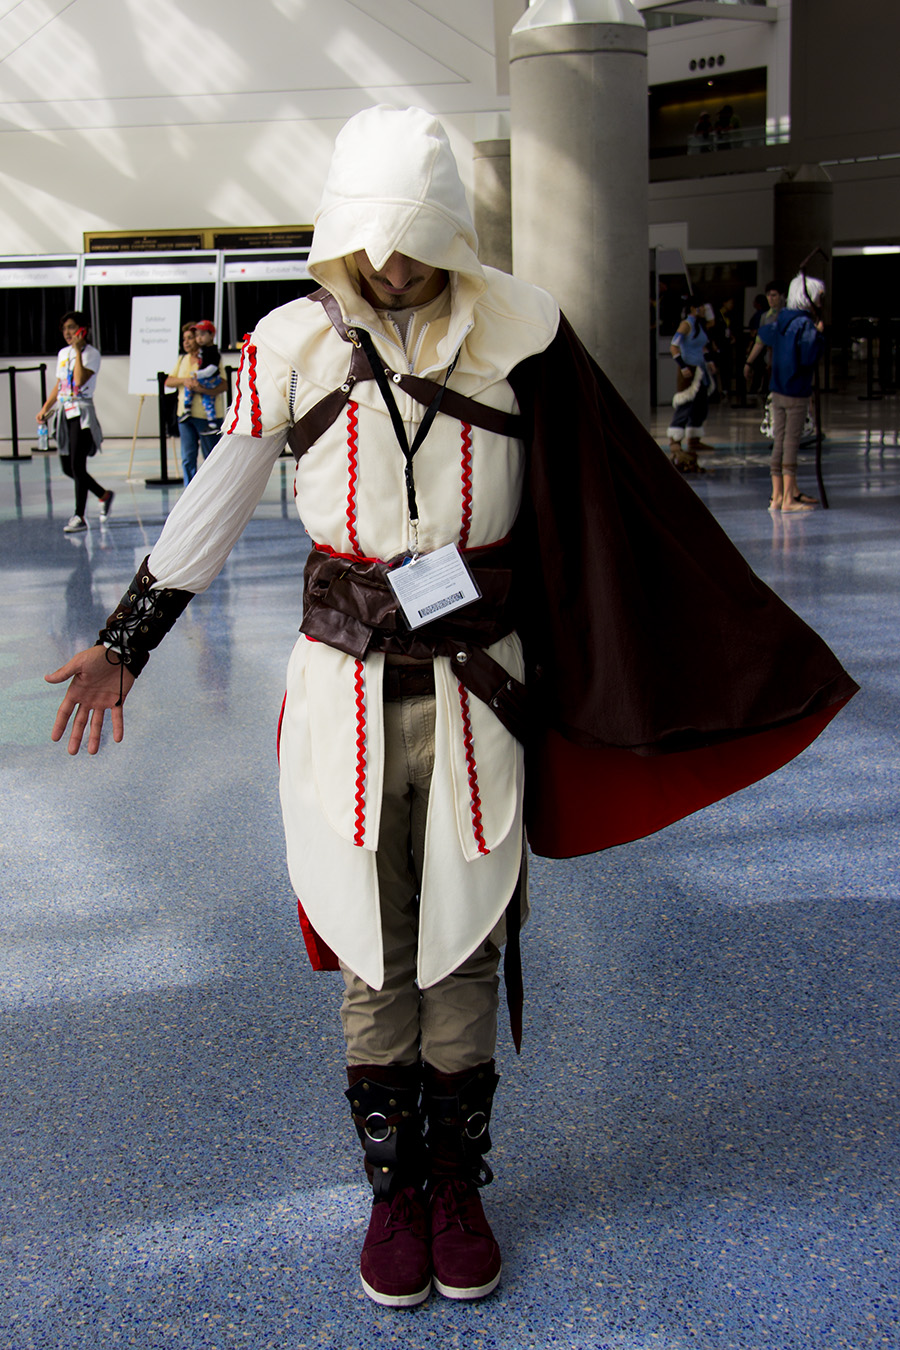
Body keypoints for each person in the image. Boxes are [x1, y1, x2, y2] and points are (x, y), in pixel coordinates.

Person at [45, 107, 857, 1310]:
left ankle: (457, 1186)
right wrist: (126, 642)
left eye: (412, 237)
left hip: (483, 686)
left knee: (468, 934)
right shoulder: (290, 344)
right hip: (345, 687)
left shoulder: (524, 331)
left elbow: (612, 501)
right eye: (371, 238)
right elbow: (216, 497)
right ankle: (394, 1193)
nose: (389, 264)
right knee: (372, 941)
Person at [743, 272, 825, 512]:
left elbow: (764, 335)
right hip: (796, 389)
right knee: (791, 442)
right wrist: (818, 335)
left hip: (778, 388)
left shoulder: (782, 319)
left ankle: (777, 495)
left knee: (779, 441)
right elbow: (808, 356)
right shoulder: (804, 324)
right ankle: (789, 499)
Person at [36, 311, 113, 533]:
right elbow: (60, 384)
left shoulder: (91, 354)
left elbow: (79, 380)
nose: (67, 332)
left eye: (71, 327)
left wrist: (78, 352)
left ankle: (79, 516)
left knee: (78, 465)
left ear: (82, 329)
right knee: (68, 467)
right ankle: (103, 494)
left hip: (81, 411)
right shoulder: (63, 353)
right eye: (64, 328)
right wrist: (45, 408)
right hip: (64, 410)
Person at [165, 323, 226, 485]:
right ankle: (190, 491)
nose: (186, 342)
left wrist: (202, 389)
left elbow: (224, 384)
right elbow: (169, 381)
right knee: (188, 457)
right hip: (185, 417)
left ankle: (213, 489)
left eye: (190, 338)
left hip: (206, 417)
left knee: (211, 457)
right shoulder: (182, 360)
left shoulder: (210, 357)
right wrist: (185, 381)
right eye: (184, 339)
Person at [667, 296, 717, 470]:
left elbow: (703, 344)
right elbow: (674, 346)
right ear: (694, 308)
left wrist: (709, 362)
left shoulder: (699, 325)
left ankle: (694, 439)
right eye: (701, 307)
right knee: (685, 404)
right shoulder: (686, 325)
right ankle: (675, 441)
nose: (704, 309)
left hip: (700, 369)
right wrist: (682, 365)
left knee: (700, 405)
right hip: (689, 370)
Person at [192, 320, 224, 428]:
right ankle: (187, 408)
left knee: (208, 400)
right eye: (196, 335)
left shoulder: (213, 352)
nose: (199, 338)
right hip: (194, 412)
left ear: (212, 335)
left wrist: (199, 375)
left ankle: (212, 420)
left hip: (211, 380)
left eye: (202, 334)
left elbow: (212, 370)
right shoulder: (200, 352)